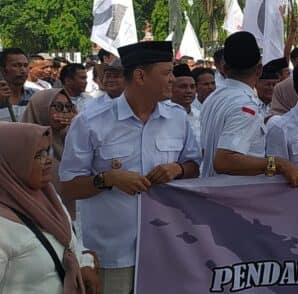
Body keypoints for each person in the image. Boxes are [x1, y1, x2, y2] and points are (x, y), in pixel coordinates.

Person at [59, 41, 201, 294]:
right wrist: (108, 179)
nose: (173, 80)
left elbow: (194, 166)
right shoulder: (91, 122)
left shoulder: (177, 118)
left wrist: (177, 169)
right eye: (166, 73)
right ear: (140, 76)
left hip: (167, 247)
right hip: (112, 254)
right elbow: (68, 187)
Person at [0, 122, 100, 294]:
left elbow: (67, 243)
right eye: (37, 155)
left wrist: (84, 264)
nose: (48, 161)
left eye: (47, 151)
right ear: (11, 163)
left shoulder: (48, 198)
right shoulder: (3, 225)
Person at [200, 32, 298, 184]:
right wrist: (278, 164)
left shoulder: (213, 98)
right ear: (259, 69)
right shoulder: (246, 106)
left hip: (211, 192)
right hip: (232, 198)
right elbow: (224, 161)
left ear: (225, 68)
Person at [21, 88, 78, 217]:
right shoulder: (23, 146)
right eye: (58, 106)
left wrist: (78, 124)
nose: (64, 111)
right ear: (40, 109)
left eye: (68, 107)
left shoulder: (70, 137)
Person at [0, 48, 37, 122]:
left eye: (25, 65)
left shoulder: (35, 96)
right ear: (3, 70)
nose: (23, 70)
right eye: (16, 65)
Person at [171, 64, 201, 144]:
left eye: (192, 87)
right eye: (183, 87)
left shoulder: (199, 115)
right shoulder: (163, 117)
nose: (189, 91)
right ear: (170, 88)